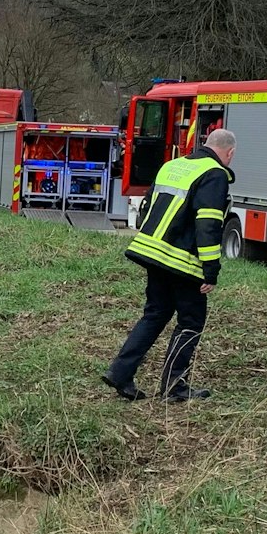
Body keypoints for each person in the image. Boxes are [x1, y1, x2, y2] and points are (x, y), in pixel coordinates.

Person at [101, 127, 235, 402]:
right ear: (229, 153)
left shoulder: (173, 165)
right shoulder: (215, 174)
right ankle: (175, 387)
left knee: (154, 315)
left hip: (152, 251)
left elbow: (147, 206)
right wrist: (211, 269)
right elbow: (208, 223)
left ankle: (120, 372)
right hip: (181, 261)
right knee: (191, 321)